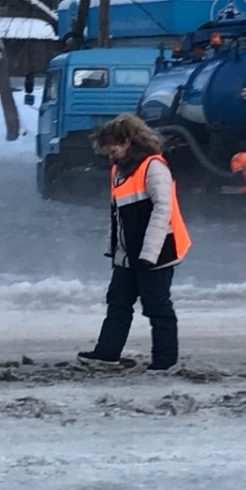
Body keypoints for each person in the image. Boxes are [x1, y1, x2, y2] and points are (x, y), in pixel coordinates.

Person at [78, 114, 191, 371]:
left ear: (128, 142)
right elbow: (119, 214)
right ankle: (107, 353)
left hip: (157, 253)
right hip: (128, 254)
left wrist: (148, 254)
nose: (111, 157)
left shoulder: (154, 167)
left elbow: (163, 210)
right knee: (117, 303)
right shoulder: (119, 171)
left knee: (157, 306)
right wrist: (117, 251)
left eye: (113, 150)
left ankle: (165, 361)